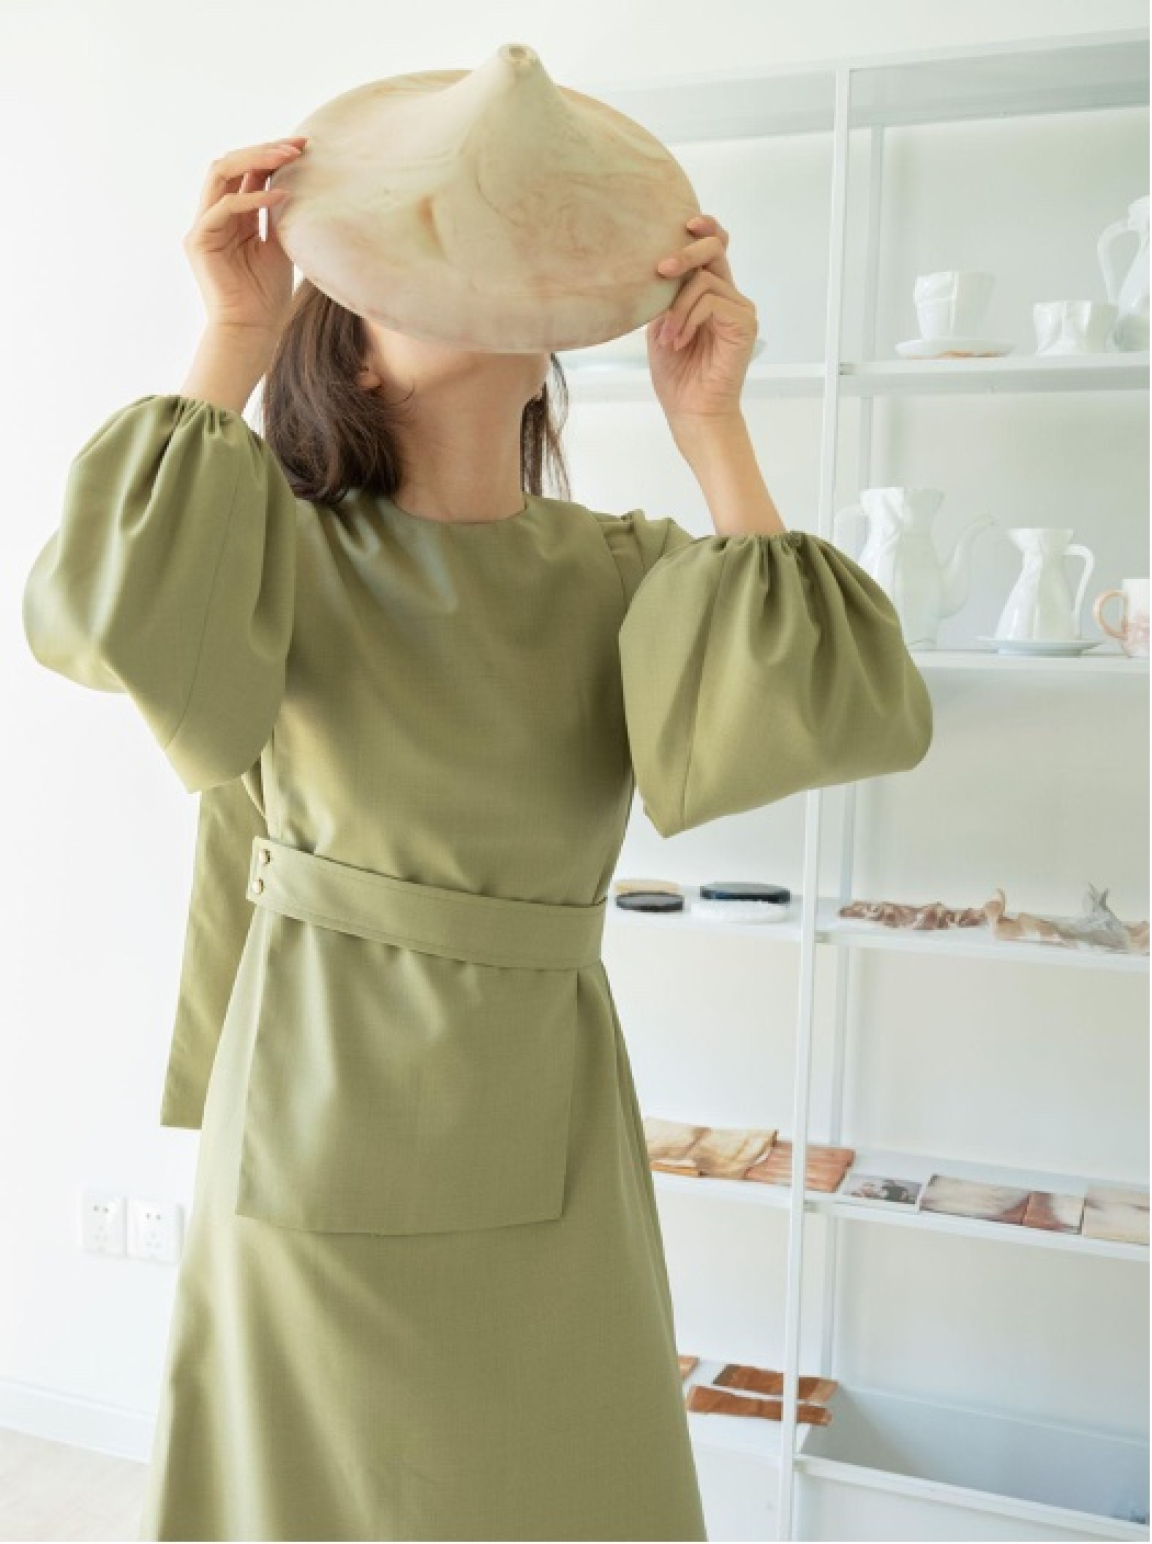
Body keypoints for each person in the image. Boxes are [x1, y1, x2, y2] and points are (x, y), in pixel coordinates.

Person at [21, 136, 934, 1542]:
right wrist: (233, 329)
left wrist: (713, 426)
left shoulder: (624, 570)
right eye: (418, 269)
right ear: (361, 357)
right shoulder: (277, 544)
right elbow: (96, 601)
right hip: (316, 1101)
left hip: (545, 1126)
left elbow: (836, 706)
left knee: (568, 1484)